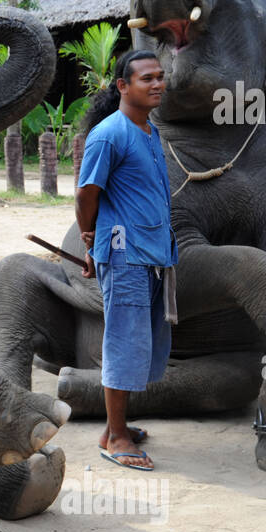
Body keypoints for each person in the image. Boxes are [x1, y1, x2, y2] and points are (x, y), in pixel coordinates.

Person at [75, 51, 177, 470]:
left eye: (160, 77)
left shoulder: (149, 132)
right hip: (125, 256)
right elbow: (86, 194)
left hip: (152, 254)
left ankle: (115, 426)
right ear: (122, 86)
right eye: (146, 78)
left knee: (140, 346)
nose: (157, 84)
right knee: (123, 343)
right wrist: (90, 239)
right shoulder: (109, 135)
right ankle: (116, 437)